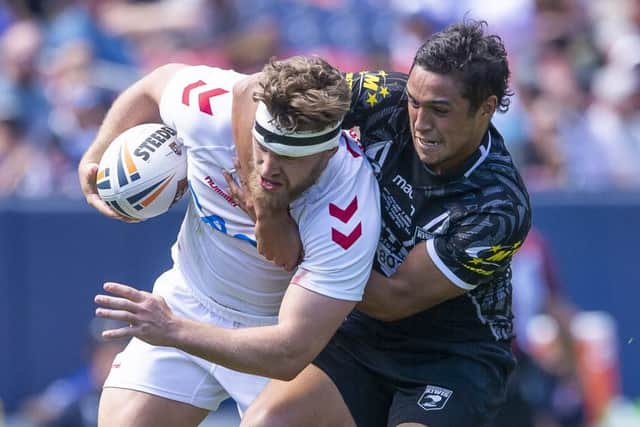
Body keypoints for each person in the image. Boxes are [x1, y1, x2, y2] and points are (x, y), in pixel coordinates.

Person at [230, 20, 532, 427]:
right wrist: (271, 213)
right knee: (265, 422)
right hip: (359, 335)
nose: (420, 123)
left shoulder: (499, 207)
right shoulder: (384, 94)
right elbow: (257, 94)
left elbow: (391, 300)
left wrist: (302, 240)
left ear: (486, 109)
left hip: (451, 360)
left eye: (440, 110)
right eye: (415, 102)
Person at [78, 55, 381, 427]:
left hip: (272, 338)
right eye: (263, 146)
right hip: (189, 298)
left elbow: (290, 350)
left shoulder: (348, 209)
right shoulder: (209, 110)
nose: (267, 168)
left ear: (327, 151)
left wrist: (171, 329)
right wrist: (94, 154)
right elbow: (153, 85)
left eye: (287, 156)